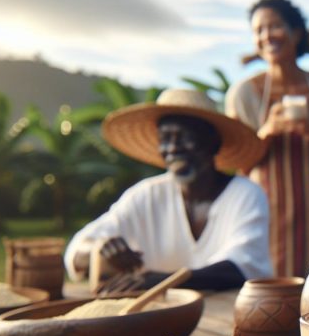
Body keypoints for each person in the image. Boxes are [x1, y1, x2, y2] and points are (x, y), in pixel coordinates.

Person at [64, 88, 272, 292]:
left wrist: (161, 281)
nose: (172, 148)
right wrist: (101, 249)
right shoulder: (146, 196)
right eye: (165, 139)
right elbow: (75, 253)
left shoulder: (246, 195)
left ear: (213, 144)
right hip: (158, 317)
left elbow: (241, 267)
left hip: (228, 319)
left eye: (185, 137)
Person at [226, 0, 309, 278]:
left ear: (296, 33)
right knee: (271, 293)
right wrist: (266, 133)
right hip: (265, 216)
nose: (266, 36)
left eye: (274, 26)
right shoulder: (245, 93)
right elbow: (238, 165)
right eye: (258, 31)